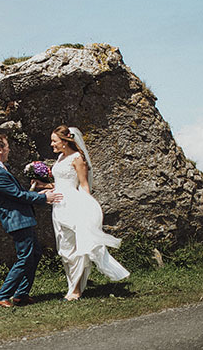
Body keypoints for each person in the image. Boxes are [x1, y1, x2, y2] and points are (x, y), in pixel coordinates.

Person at [34, 125, 130, 301]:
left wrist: (87, 207)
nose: (51, 144)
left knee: (78, 247)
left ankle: (76, 290)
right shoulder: (61, 157)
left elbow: (84, 184)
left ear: (64, 141)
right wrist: (44, 187)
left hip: (74, 205)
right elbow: (61, 183)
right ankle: (73, 286)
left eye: (54, 141)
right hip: (58, 206)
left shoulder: (78, 158)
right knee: (64, 248)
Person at [0, 134, 63, 308]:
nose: (9, 149)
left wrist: (36, 192)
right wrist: (44, 198)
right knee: (25, 257)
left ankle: (21, 295)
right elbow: (17, 195)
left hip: (21, 217)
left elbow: (14, 194)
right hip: (17, 219)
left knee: (34, 254)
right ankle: (3, 295)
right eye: (7, 146)